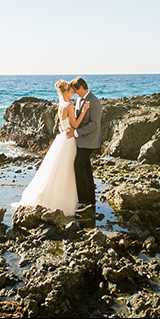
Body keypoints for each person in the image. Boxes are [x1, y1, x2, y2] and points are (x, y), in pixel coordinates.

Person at [16, 80, 90, 217]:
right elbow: (75, 124)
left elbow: (61, 124)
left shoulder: (60, 104)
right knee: (67, 171)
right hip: (68, 140)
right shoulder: (68, 105)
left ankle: (56, 199)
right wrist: (84, 111)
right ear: (66, 92)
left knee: (57, 170)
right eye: (71, 91)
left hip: (61, 138)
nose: (73, 92)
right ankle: (66, 203)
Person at [64, 76, 101, 213]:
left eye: (74, 89)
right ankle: (90, 200)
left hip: (90, 141)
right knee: (86, 169)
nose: (73, 92)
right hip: (80, 141)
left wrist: (76, 133)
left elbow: (94, 125)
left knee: (78, 165)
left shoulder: (94, 101)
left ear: (81, 87)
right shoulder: (79, 100)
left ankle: (84, 201)